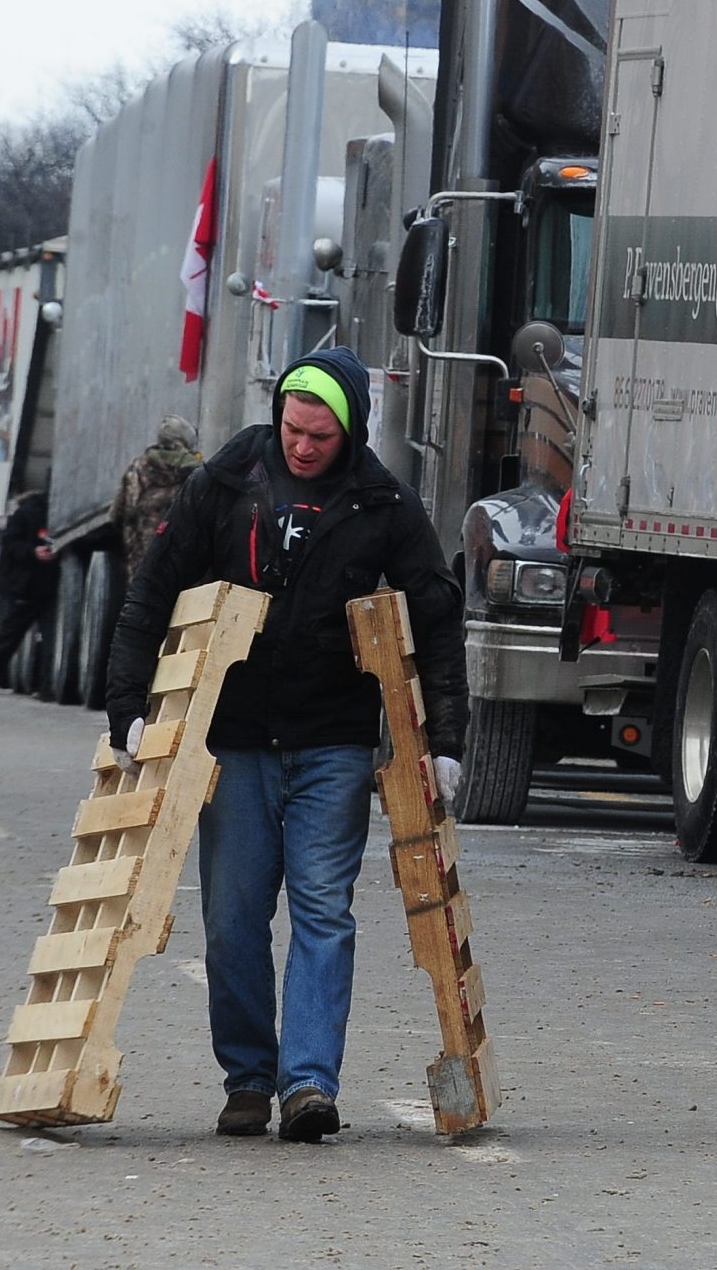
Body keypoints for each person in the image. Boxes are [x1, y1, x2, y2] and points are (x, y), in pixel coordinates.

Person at [103, 347, 466, 1144]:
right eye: (293, 430)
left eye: (321, 436)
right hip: (233, 740)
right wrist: (125, 708)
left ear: (352, 431)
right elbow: (151, 594)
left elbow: (435, 621)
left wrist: (446, 740)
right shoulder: (225, 488)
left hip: (332, 740)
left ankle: (307, 1083)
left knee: (323, 912)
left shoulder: (384, 506)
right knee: (233, 917)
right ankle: (246, 1076)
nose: (302, 447)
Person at [0, 491, 59, 700]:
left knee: (23, 639)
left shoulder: (28, 514)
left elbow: (10, 546)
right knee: (17, 639)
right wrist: (34, 552)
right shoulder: (28, 515)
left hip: (34, 588)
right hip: (30, 587)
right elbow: (13, 546)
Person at [111, 416, 201, 575]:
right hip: (184, 565)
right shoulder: (197, 473)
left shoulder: (138, 468)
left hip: (143, 564)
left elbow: (117, 515)